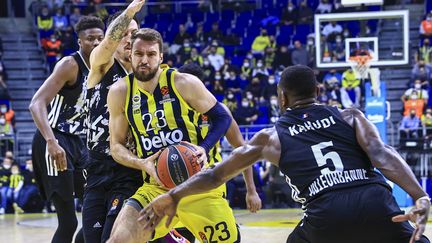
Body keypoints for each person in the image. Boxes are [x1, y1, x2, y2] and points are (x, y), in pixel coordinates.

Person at [142, 65, 431, 243]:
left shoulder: (271, 137)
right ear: (318, 91)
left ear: (282, 97)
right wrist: (420, 195)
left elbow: (216, 175)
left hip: (326, 215)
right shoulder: (351, 117)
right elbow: (382, 154)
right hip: (375, 204)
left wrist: (174, 195)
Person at [106, 28, 241, 242]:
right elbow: (116, 146)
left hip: (200, 185)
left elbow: (222, 117)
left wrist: (203, 148)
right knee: (119, 240)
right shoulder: (119, 92)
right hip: (156, 187)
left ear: (161, 57)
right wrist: (142, 163)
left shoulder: (183, 83)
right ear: (130, 54)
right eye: (139, 54)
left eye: (151, 54)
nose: (144, 60)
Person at [29, 16, 104, 243]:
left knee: (96, 212)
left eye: (101, 38)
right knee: (69, 222)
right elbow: (36, 103)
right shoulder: (70, 65)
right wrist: (51, 142)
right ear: (80, 42)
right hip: (53, 138)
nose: (97, 43)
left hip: (79, 142)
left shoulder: (104, 69)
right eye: (90, 39)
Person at [83, 2, 145, 242]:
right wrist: (129, 13)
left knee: (113, 237)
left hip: (127, 169)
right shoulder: (102, 64)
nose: (130, 39)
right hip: (96, 168)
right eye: (126, 33)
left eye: (135, 34)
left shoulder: (143, 75)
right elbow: (108, 42)